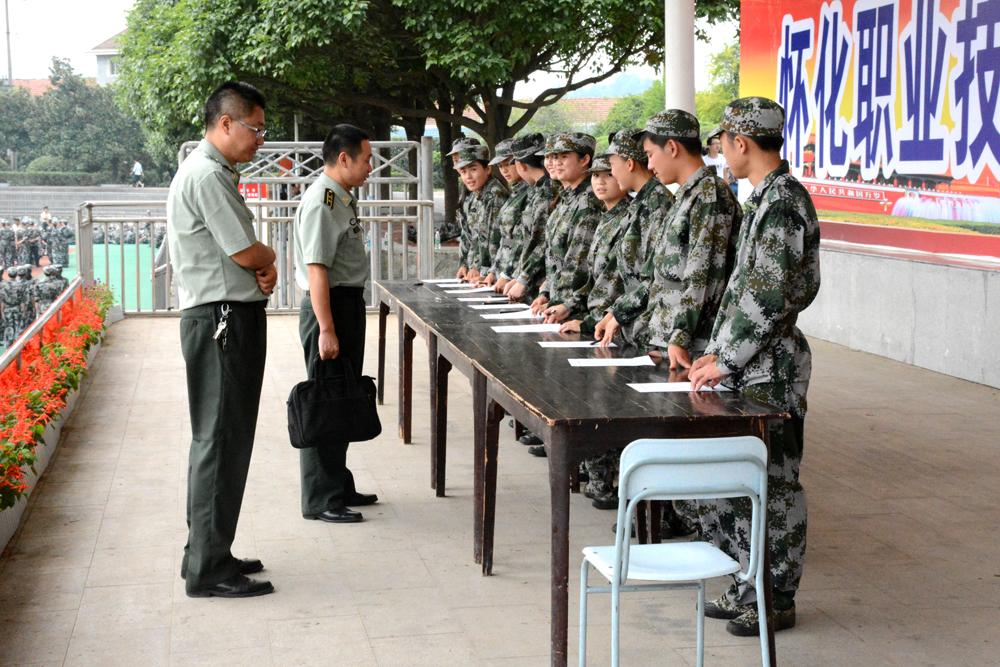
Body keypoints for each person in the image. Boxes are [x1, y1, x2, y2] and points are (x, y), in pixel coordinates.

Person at [689, 96, 821, 636]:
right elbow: (745, 292)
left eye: (723, 142)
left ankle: (775, 597)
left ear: (740, 142)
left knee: (774, 482)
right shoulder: (765, 198)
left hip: (773, 367)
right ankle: (748, 584)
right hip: (751, 362)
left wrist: (726, 358)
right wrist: (720, 351)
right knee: (740, 479)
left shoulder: (782, 202)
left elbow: (768, 296)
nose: (722, 152)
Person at [167, 81, 278, 598]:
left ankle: (207, 551)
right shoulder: (208, 174)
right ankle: (208, 568)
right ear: (226, 123)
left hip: (222, 316)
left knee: (220, 439)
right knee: (220, 440)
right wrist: (268, 258)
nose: (260, 139)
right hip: (223, 320)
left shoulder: (211, 170)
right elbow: (245, 251)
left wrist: (258, 264)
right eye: (256, 128)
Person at [638, 109, 743, 536]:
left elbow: (703, 273)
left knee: (698, 438)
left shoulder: (709, 197)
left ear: (672, 147)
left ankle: (708, 534)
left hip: (696, 338)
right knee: (677, 434)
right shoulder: (688, 194)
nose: (649, 164)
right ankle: (687, 520)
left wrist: (680, 334)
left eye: (650, 154)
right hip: (678, 334)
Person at [293, 123, 379, 524]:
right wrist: (327, 329)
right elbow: (317, 271)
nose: (370, 168)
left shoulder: (340, 197)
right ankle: (320, 497)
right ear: (344, 159)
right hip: (329, 308)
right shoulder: (323, 202)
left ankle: (338, 484)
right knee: (324, 399)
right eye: (366, 160)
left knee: (341, 395)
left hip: (345, 304)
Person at [554, 153, 630, 507]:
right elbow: (593, 276)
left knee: (605, 403)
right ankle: (595, 475)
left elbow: (616, 280)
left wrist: (586, 319)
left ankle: (606, 481)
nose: (600, 182)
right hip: (596, 319)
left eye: (606, 175)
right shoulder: (606, 216)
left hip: (612, 324)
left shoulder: (626, 217)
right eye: (596, 176)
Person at [592, 127, 676, 348]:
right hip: (634, 326)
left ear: (629, 164)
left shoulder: (657, 204)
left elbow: (655, 276)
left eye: (612, 167)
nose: (611, 173)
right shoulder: (641, 203)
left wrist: (619, 313)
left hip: (651, 331)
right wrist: (614, 313)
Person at [455, 144, 509, 283]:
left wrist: (481, 269)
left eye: (473, 169)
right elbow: (470, 236)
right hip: (479, 272)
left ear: (488, 169)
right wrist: (464, 264)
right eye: (463, 172)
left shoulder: (495, 195)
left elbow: (492, 240)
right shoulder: (475, 195)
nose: (468, 177)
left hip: (494, 273)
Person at [484, 137, 531, 289]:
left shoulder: (530, 194)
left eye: (508, 164)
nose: (504, 170)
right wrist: (493, 271)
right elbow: (504, 240)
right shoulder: (515, 193)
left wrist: (508, 275)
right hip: (503, 273)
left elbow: (521, 241)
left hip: (516, 276)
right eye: (500, 166)